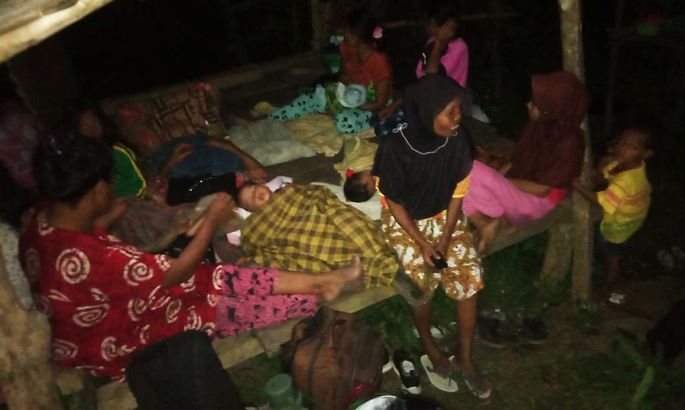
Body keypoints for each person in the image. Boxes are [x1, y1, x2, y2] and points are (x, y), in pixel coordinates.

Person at [19, 132, 363, 381]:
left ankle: (321, 281)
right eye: (109, 183)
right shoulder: (95, 259)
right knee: (229, 299)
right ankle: (313, 293)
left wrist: (114, 217)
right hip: (121, 340)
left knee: (217, 276)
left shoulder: (39, 220)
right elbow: (178, 273)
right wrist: (212, 219)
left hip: (114, 306)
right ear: (98, 190)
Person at [372, 75, 490, 398]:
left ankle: (465, 356)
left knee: (469, 276)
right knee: (421, 282)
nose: (458, 118)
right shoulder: (395, 148)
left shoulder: (457, 139)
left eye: (459, 110)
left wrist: (446, 236)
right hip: (406, 222)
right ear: (426, 112)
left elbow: (458, 192)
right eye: (450, 112)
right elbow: (393, 202)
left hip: (444, 217)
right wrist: (423, 244)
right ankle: (428, 342)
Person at [462, 70, 590, 254]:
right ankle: (491, 223)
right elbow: (517, 161)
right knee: (460, 176)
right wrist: (495, 179)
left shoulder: (570, 142)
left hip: (537, 202)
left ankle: (499, 221)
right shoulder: (540, 126)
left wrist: (498, 182)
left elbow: (542, 190)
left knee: (470, 168)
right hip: (519, 192)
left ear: (553, 108)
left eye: (536, 104)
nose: (528, 104)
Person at [235, 180, 399, 289]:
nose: (255, 194)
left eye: (254, 188)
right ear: (252, 211)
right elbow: (254, 242)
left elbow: (318, 194)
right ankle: (353, 267)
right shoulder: (256, 225)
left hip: (318, 217)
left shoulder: (289, 192)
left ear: (263, 185)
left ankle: (373, 252)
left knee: (345, 221)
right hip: (298, 238)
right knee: (305, 253)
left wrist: (297, 191)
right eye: (250, 200)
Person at [269, 7, 392, 134]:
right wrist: (343, 81)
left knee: (344, 122)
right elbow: (341, 74)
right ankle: (272, 120)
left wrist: (353, 105)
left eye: (345, 30)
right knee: (305, 101)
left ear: (356, 36)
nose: (343, 33)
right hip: (347, 94)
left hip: (370, 106)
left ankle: (348, 117)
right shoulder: (347, 46)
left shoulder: (378, 62)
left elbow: (380, 103)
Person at [572, 125, 653, 294]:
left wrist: (577, 186)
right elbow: (603, 177)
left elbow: (599, 201)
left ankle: (610, 283)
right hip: (635, 209)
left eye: (633, 147)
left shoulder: (627, 181)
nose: (624, 148)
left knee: (613, 253)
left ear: (645, 154)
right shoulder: (631, 164)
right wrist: (603, 165)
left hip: (622, 223)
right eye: (622, 142)